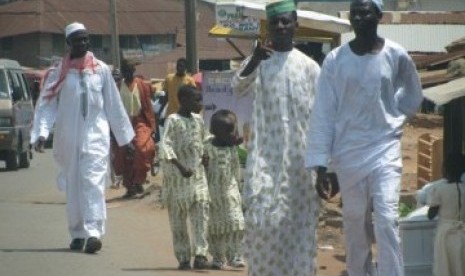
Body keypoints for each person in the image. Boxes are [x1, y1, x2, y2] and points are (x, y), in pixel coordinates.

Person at [304, 0, 423, 275]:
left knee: (387, 218)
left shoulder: (396, 54)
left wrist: (397, 115)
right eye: (354, 13)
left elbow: (413, 92)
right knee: (355, 221)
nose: (358, 17)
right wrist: (324, 165)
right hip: (348, 154)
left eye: (365, 12)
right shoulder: (335, 60)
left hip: (385, 148)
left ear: (379, 16)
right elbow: (324, 111)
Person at [231, 1, 321, 275]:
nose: (281, 27)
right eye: (275, 23)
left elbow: (323, 117)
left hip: (301, 167)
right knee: (263, 225)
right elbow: (238, 87)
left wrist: (325, 163)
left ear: (296, 24)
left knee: (300, 230)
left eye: (285, 21)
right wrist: (256, 59)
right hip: (264, 162)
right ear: (268, 27)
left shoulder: (310, 67)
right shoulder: (258, 62)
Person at [31, 22, 134, 254]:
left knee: (93, 182)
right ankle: (77, 233)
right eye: (78, 40)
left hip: (95, 136)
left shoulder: (101, 70)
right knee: (75, 186)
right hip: (68, 138)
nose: (83, 43)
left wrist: (125, 140)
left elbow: (114, 105)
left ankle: (94, 233)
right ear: (68, 43)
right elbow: (47, 105)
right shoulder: (59, 73)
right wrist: (41, 133)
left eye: (86, 39)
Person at [160, 84, 210, 270]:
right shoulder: (172, 120)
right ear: (183, 100)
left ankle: (200, 254)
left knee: (201, 213)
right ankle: (182, 256)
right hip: (177, 180)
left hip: (197, 177)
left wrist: (205, 154)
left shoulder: (198, 120)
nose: (200, 103)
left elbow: (204, 140)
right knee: (178, 221)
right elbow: (165, 146)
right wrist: (180, 167)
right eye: (196, 100)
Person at [204, 109, 246, 270]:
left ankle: (235, 256)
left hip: (231, 191)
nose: (232, 134)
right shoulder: (207, 147)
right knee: (216, 228)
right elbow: (201, 169)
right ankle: (218, 257)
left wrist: (238, 189)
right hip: (213, 194)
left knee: (236, 223)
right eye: (228, 132)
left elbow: (235, 169)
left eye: (233, 130)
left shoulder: (231, 149)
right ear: (215, 132)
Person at [112, 59, 156, 199]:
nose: (128, 73)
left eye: (130, 71)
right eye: (125, 71)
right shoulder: (118, 87)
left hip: (140, 121)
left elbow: (148, 106)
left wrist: (152, 127)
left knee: (141, 148)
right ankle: (129, 186)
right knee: (123, 154)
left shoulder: (142, 85)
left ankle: (139, 181)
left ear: (134, 71)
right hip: (123, 123)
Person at [427, 153, 465, 276]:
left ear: (445, 169)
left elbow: (431, 215)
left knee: (445, 267)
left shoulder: (439, 189)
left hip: (445, 234)